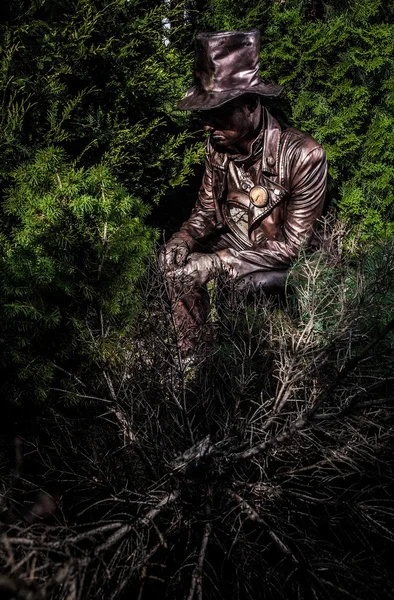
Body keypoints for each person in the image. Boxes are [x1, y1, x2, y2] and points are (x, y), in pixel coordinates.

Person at [160, 29, 327, 354]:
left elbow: (294, 247)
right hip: (237, 244)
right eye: (204, 115)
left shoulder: (304, 155)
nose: (208, 125)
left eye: (218, 114)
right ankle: (194, 361)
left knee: (241, 285)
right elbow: (206, 212)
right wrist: (182, 241)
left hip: (283, 261)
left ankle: (247, 368)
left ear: (251, 104)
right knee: (176, 271)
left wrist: (217, 262)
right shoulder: (217, 146)